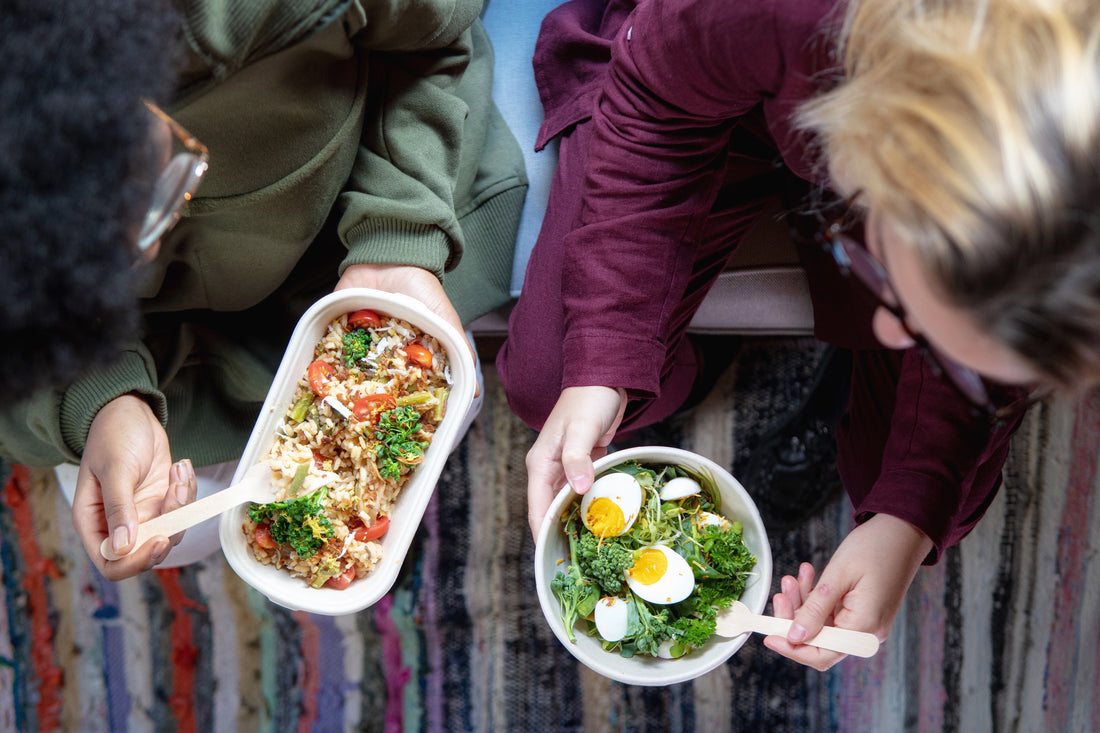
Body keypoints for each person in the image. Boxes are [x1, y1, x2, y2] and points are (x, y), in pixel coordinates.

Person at [497, 0, 1100, 670]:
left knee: (904, 477)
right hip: (702, 74)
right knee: (556, 374)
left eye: (951, 348)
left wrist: (907, 514)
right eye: (892, 288)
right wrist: (607, 359)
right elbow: (654, 108)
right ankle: (697, 348)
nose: (884, 324)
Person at [0, 0, 527, 580]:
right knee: (190, 529)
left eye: (142, 209)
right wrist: (99, 399)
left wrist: (398, 237)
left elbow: (434, 40)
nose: (145, 256)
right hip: (173, 349)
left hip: (362, 218)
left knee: (455, 401)